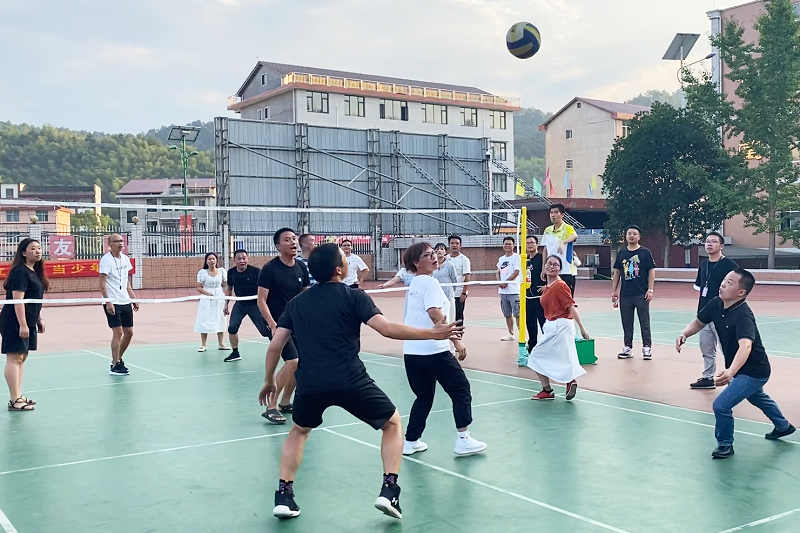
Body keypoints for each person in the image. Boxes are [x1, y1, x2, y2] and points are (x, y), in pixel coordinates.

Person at [259, 243, 463, 520]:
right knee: (392, 423)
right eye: (345, 259)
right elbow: (387, 329)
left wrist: (269, 380)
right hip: (351, 379)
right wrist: (431, 333)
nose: (348, 261)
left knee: (299, 431)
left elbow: (276, 345)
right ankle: (389, 491)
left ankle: (284, 495)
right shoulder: (354, 296)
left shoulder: (296, 303)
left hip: (310, 383)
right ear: (338, 269)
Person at [676, 269, 795, 459]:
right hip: (740, 369)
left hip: (754, 371)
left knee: (721, 405)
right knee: (757, 397)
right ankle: (783, 426)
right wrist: (684, 334)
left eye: (729, 282)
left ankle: (725, 445)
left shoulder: (743, 316)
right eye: (724, 280)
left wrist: (731, 371)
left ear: (741, 292)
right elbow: (699, 322)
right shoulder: (716, 303)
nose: (723, 284)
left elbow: (745, 346)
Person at [401, 242, 487, 458]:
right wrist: (456, 340)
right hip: (433, 350)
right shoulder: (430, 283)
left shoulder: (416, 283)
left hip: (412, 352)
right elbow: (434, 313)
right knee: (461, 390)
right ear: (415, 263)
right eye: (427, 255)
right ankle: (463, 440)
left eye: (433, 253)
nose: (434, 257)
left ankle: (410, 441)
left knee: (423, 397)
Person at [258, 228, 310, 424]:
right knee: (292, 361)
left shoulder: (301, 267)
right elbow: (261, 300)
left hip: (297, 323)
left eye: (294, 239)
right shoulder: (270, 269)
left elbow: (305, 295)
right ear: (278, 246)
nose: (293, 242)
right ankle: (271, 406)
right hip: (277, 323)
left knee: (300, 362)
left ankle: (286, 402)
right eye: (287, 240)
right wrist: (272, 324)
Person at [527, 255, 590, 401]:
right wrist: (547, 289)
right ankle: (558, 386)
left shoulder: (560, 285)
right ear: (544, 266)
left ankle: (551, 388)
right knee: (557, 356)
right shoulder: (550, 286)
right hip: (552, 325)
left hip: (560, 325)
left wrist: (582, 328)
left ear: (560, 269)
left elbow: (571, 307)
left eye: (555, 265)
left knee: (537, 356)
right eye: (549, 263)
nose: (551, 266)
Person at [2, 238, 48, 412]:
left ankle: (18, 395)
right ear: (23, 253)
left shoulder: (34, 272)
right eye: (33, 248)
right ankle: (14, 400)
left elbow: (33, 300)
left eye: (39, 248)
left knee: (22, 358)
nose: (37, 251)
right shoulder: (19, 272)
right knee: (14, 358)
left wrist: (38, 319)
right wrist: (22, 325)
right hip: (14, 320)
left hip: (29, 321)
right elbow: (18, 301)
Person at [690, 232, 738, 390]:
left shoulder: (730, 266)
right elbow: (701, 288)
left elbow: (738, 288)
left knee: (727, 348)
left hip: (723, 315)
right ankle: (707, 377)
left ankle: (733, 378)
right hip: (705, 314)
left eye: (714, 241)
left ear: (721, 246)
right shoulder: (703, 265)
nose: (709, 244)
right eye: (707, 241)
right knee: (706, 347)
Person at [611, 225, 656, 360]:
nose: (631, 236)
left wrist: (650, 289)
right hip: (625, 294)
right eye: (629, 233)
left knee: (644, 322)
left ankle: (647, 348)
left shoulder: (645, 252)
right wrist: (614, 291)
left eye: (634, 234)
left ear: (639, 237)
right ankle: (628, 347)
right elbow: (617, 273)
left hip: (641, 294)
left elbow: (651, 271)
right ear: (625, 236)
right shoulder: (622, 253)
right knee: (626, 322)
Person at [99, 233, 138, 376]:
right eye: (116, 241)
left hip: (125, 300)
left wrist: (133, 298)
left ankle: (117, 359)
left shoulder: (125, 259)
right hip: (112, 301)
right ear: (109, 244)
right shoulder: (106, 260)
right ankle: (116, 365)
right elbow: (102, 283)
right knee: (118, 332)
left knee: (129, 332)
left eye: (121, 241)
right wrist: (108, 301)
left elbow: (126, 281)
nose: (120, 244)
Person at [224, 249, 269, 362]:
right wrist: (226, 305)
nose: (242, 261)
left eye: (244, 258)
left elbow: (264, 289)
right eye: (239, 259)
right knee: (232, 328)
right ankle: (235, 353)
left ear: (247, 259)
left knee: (265, 331)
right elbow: (229, 289)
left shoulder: (256, 272)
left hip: (255, 304)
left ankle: (283, 349)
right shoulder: (231, 272)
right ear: (234, 260)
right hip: (240, 304)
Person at [194, 252, 230, 352]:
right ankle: (203, 345)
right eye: (209, 259)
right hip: (206, 298)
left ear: (216, 260)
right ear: (206, 261)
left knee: (220, 318)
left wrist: (226, 297)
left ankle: (221, 344)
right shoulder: (202, 273)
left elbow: (226, 285)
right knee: (204, 319)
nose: (212, 261)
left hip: (219, 298)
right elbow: (198, 287)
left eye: (213, 259)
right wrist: (209, 294)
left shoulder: (222, 271)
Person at [541, 204, 578, 296]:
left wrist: (563, 242)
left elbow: (574, 236)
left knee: (566, 300)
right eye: (551, 213)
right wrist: (543, 268)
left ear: (562, 215)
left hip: (566, 271)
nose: (553, 215)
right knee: (552, 299)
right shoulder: (547, 230)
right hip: (551, 271)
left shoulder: (567, 228)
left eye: (556, 212)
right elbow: (545, 249)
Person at [523, 235, 546, 363]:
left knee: (544, 324)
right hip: (528, 297)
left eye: (532, 242)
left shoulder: (542, 258)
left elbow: (551, 272)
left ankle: (547, 349)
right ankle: (532, 350)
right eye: (527, 243)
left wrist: (547, 286)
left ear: (537, 244)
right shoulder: (524, 259)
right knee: (530, 324)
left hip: (540, 297)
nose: (530, 244)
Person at [497, 236, 521, 341]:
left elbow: (517, 272)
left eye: (509, 244)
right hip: (503, 292)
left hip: (514, 291)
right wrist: (499, 282)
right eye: (505, 244)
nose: (507, 246)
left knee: (517, 314)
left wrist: (506, 282)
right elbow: (498, 272)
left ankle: (522, 335)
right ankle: (511, 333)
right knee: (507, 314)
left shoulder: (516, 257)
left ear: (513, 245)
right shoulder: (501, 259)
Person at [448, 235, 472, 322]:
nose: (454, 245)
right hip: (446, 293)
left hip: (459, 293)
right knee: (446, 316)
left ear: (460, 245)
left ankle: (459, 331)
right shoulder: (445, 259)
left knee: (458, 316)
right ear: (449, 245)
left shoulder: (464, 259)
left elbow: (467, 277)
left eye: (457, 243)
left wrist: (464, 293)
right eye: (452, 243)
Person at [432, 243, 457, 323]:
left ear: (445, 252)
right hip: (435, 297)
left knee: (450, 320)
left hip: (448, 296)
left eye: (442, 249)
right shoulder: (431, 266)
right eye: (437, 249)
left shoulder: (450, 265)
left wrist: (450, 292)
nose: (439, 251)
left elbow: (454, 281)